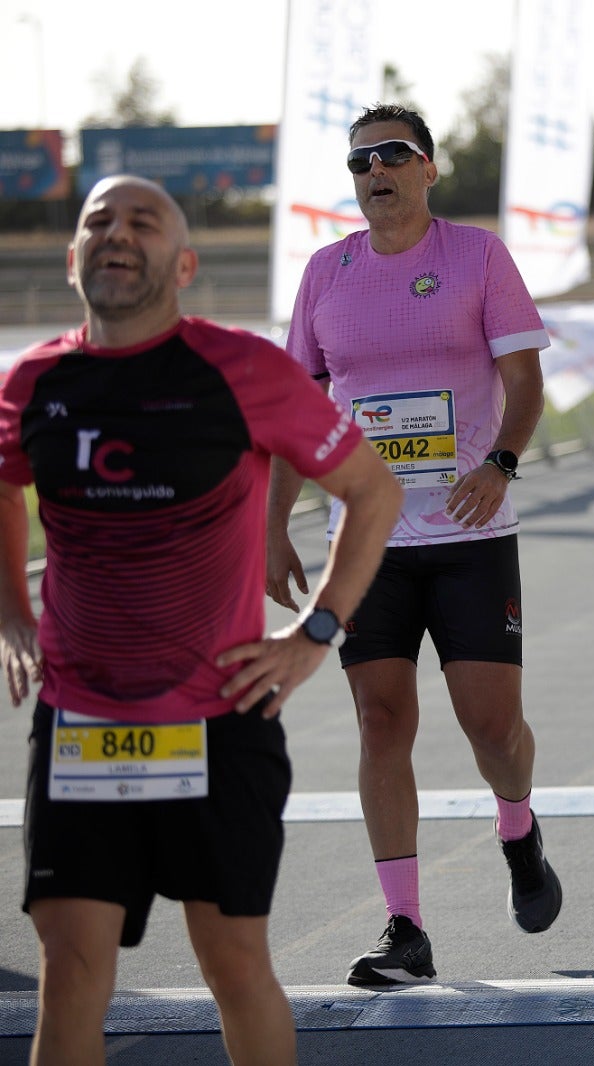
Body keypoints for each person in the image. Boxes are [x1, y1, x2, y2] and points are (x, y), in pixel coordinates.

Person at [0, 175, 401, 1065]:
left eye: (142, 222)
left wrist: (315, 634)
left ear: (182, 264)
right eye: (97, 221)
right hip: (79, 723)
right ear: (72, 261)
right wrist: (10, 611)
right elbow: (2, 482)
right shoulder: (36, 381)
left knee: (235, 964)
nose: (116, 233)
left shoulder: (246, 369)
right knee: (69, 972)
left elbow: (373, 492)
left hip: (218, 719)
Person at [266, 104, 559, 987]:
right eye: (360, 161)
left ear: (428, 169)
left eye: (393, 155)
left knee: (492, 726)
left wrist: (503, 462)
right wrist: (275, 519)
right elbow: (296, 411)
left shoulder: (474, 256)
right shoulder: (326, 274)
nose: (375, 171)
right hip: (368, 541)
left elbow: (524, 379)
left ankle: (518, 827)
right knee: (380, 720)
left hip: (471, 530)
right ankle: (407, 929)